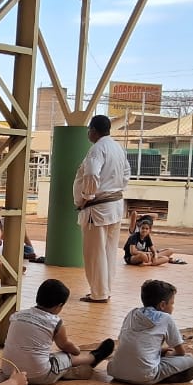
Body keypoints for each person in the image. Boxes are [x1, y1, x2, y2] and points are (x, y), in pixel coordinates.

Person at [2, 279, 115, 385]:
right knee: (65, 356)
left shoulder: (17, 315)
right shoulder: (54, 322)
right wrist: (76, 350)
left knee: (42, 355)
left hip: (9, 372)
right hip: (40, 375)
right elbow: (64, 345)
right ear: (59, 305)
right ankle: (93, 358)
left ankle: (70, 371)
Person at [74, 113, 130, 303]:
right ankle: (105, 290)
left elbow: (91, 173)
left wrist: (87, 197)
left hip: (97, 208)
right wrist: (116, 188)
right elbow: (126, 174)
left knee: (95, 253)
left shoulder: (98, 149)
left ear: (93, 130)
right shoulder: (117, 148)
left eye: (89, 130)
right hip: (114, 206)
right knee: (108, 251)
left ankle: (98, 293)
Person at [107, 279, 193, 385]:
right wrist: (170, 354)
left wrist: (160, 351)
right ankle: (162, 376)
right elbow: (181, 352)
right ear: (162, 305)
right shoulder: (166, 318)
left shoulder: (132, 313)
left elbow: (127, 341)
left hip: (116, 371)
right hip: (144, 376)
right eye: (172, 304)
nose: (173, 307)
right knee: (190, 358)